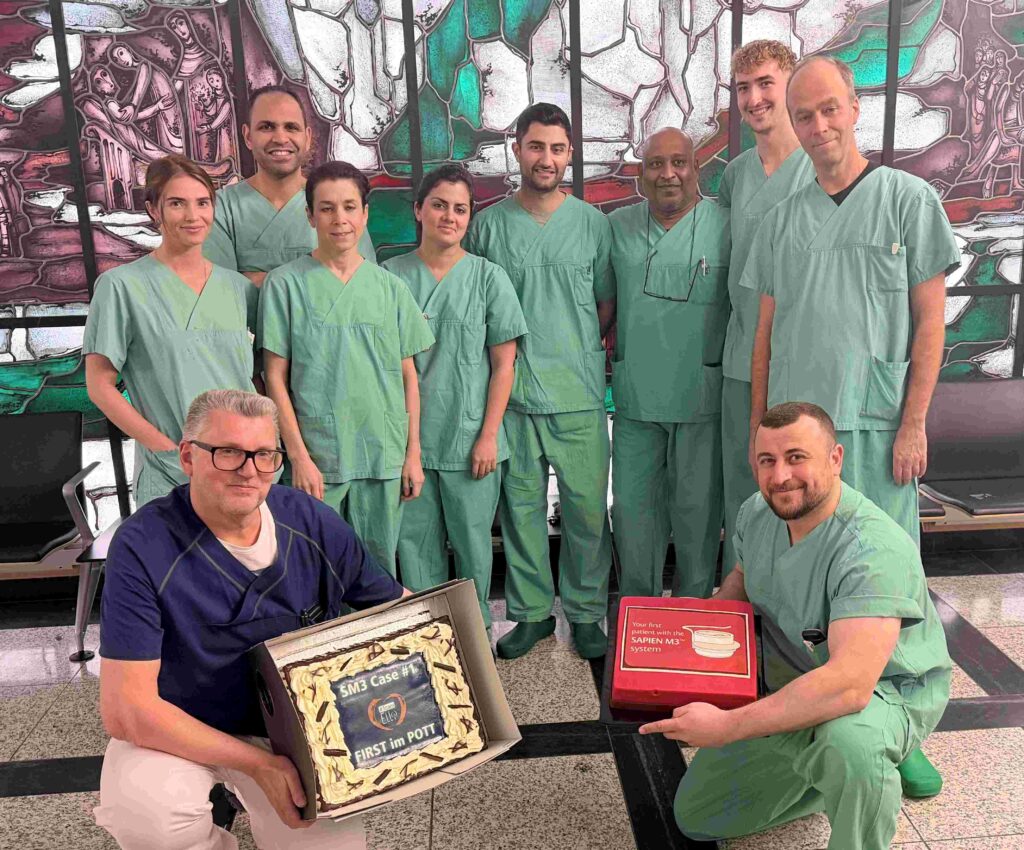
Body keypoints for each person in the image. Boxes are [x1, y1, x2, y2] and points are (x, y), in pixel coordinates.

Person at [744, 55, 959, 797]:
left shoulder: (907, 200)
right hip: (801, 449)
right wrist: (758, 435)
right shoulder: (782, 221)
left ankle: (902, 731)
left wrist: (914, 424)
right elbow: (766, 337)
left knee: (891, 582)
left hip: (874, 430)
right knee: (813, 585)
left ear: (855, 107)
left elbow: (931, 324)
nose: (818, 125)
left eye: (829, 108)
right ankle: (824, 710)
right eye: (804, 115)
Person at [94, 389, 408, 849]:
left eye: (264, 455)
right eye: (228, 453)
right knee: (149, 819)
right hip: (179, 728)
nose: (249, 469)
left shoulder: (312, 523)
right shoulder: (143, 545)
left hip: (295, 731)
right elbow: (126, 711)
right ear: (188, 456)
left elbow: (400, 609)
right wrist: (257, 765)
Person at [641, 402, 951, 850]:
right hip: (795, 676)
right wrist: (679, 640)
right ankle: (829, 776)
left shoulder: (872, 550)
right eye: (767, 460)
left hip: (881, 689)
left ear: (835, 458)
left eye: (796, 457)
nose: (780, 475)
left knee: (852, 744)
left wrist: (729, 726)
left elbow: (849, 685)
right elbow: (740, 586)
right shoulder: (758, 513)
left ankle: (875, 764)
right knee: (699, 815)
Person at [465, 103, 614, 660]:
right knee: (521, 510)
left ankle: (585, 613)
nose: (545, 158)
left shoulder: (592, 225)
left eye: (555, 148)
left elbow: (604, 305)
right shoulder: (488, 226)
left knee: (585, 512)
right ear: (517, 149)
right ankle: (531, 615)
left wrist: (569, 350)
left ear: (569, 153)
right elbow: (478, 305)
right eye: (535, 146)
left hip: (576, 393)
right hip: (514, 397)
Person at [259, 161, 435, 576]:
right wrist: (299, 457)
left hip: (382, 453)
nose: (340, 219)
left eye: (350, 207)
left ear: (365, 213)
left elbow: (409, 377)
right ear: (309, 215)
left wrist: (412, 455)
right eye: (327, 208)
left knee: (377, 574)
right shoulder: (285, 284)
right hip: (321, 456)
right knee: (317, 573)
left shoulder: (390, 287)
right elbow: (274, 379)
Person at [383, 165, 527, 626]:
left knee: (473, 550)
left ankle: (475, 634)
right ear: (419, 210)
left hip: (471, 444)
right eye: (439, 205)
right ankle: (431, 642)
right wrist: (407, 448)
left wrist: (488, 436)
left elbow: (504, 365)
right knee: (416, 550)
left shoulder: (488, 279)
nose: (449, 216)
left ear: (470, 217)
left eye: (460, 209)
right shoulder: (390, 278)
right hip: (410, 446)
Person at [85, 154, 257, 506]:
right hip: (171, 471)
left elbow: (256, 376)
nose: (193, 216)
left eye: (203, 203)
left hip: (243, 467)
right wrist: (165, 449)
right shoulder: (121, 287)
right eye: (177, 203)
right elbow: (99, 385)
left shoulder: (239, 289)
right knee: (176, 559)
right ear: (154, 210)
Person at [606, 128, 730, 599]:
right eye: (655, 164)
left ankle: (693, 613)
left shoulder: (726, 225)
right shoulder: (616, 227)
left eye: (679, 162)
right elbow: (600, 304)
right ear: (640, 175)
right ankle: (638, 616)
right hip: (638, 398)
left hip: (702, 397)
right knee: (634, 516)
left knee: (699, 517)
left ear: (697, 169)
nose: (668, 173)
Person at [718, 40, 815, 576]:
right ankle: (740, 605)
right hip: (739, 358)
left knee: (800, 486)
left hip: (799, 358)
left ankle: (797, 603)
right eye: (742, 89)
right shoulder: (735, 176)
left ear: (789, 85)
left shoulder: (819, 170)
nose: (754, 99)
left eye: (765, 84)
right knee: (745, 484)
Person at [203, 86, 375, 287]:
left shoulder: (338, 203)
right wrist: (322, 277)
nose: (280, 138)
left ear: (307, 137)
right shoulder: (221, 208)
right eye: (266, 127)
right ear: (248, 136)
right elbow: (220, 291)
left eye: (291, 127)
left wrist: (254, 279)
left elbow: (363, 285)